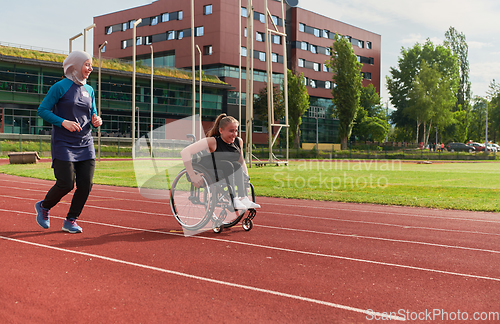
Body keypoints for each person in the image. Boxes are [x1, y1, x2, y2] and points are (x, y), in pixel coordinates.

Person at [35, 50, 102, 234]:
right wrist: (63, 122)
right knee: (66, 183)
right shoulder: (59, 87)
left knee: (86, 184)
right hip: (64, 143)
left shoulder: (90, 90)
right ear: (76, 65)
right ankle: (44, 206)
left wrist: (97, 121)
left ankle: (71, 220)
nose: (90, 68)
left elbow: (93, 115)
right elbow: (42, 110)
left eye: (91, 65)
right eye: (87, 64)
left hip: (85, 142)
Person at [180, 113, 260, 212]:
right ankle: (233, 199)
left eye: (236, 131)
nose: (234, 134)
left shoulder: (238, 141)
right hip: (209, 170)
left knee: (236, 165)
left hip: (225, 172)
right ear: (221, 131)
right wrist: (193, 176)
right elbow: (185, 152)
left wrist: (246, 182)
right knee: (228, 165)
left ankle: (243, 198)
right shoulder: (212, 141)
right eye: (231, 131)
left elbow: (241, 162)